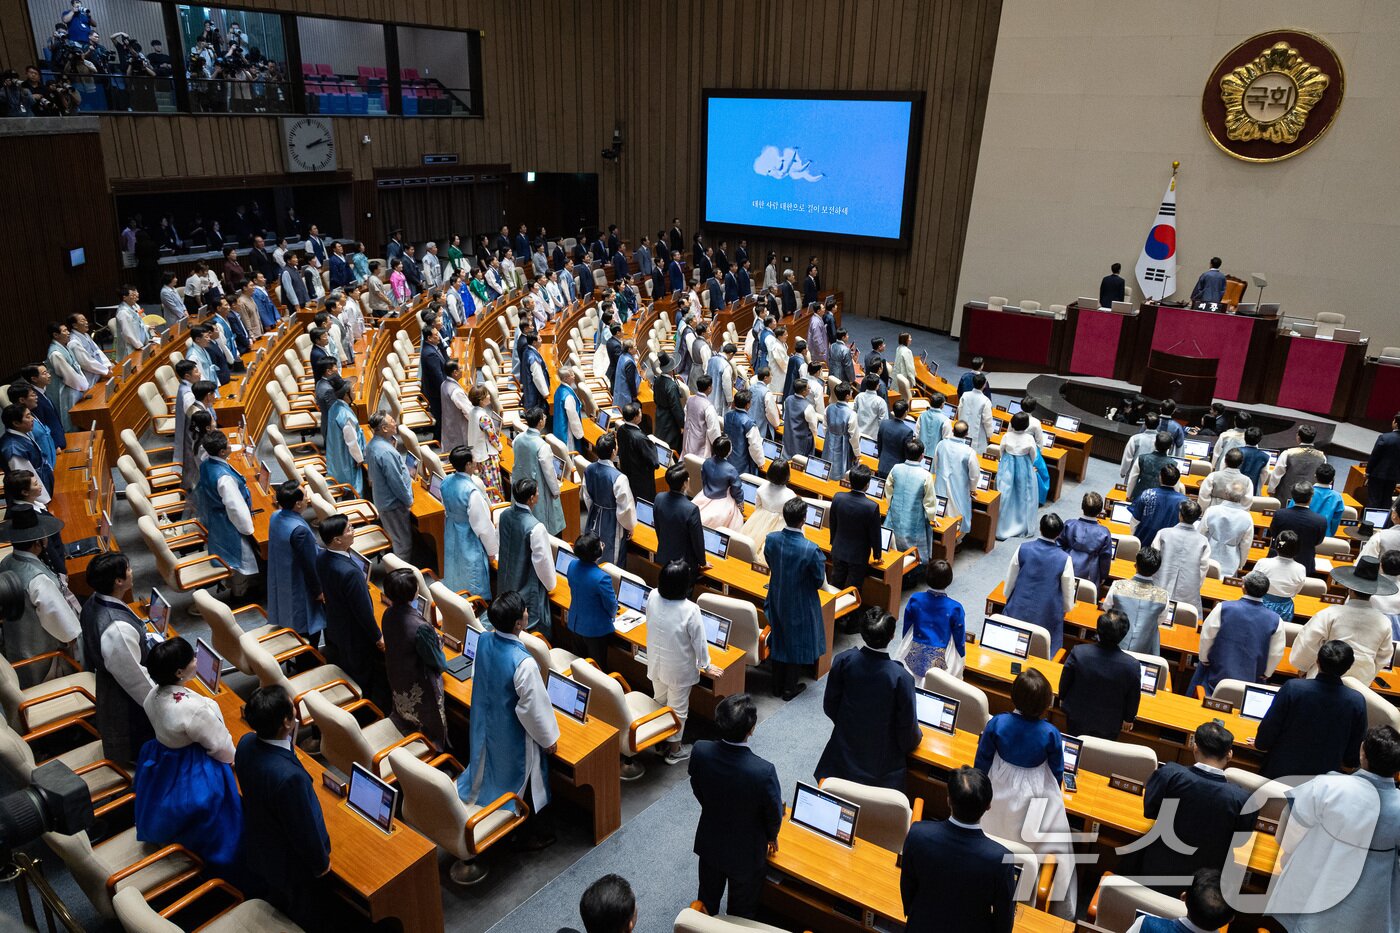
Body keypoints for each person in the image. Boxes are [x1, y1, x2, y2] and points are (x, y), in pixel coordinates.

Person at [457, 591, 561, 859]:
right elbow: (532, 709)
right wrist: (548, 739)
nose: (527, 613)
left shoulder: (483, 639)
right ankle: (524, 832)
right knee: (524, 779)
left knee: (487, 767)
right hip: (512, 733)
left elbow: (478, 675)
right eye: (525, 611)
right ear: (518, 624)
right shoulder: (524, 663)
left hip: (486, 720)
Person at [1268, 725, 1400, 932]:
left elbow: (1291, 830)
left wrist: (1288, 858)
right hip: (1372, 901)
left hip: (1316, 881)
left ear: (1362, 752)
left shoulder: (1328, 785)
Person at [974, 669, 1076, 918]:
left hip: (998, 786)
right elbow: (1057, 772)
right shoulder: (1050, 733)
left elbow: (982, 761)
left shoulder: (997, 722)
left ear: (1014, 696)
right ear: (1046, 704)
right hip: (1035, 793)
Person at [234, 686, 335, 928]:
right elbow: (303, 830)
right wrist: (321, 865)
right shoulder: (289, 779)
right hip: (291, 865)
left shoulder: (246, 742)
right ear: (286, 723)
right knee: (307, 913)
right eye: (292, 709)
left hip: (261, 843)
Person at [135, 637, 241, 866]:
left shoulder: (152, 694)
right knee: (221, 810)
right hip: (189, 764)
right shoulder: (192, 709)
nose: (196, 660)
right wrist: (235, 761)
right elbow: (220, 746)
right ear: (179, 672)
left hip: (162, 756)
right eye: (193, 658)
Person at [688, 694, 782, 918]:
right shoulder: (763, 772)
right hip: (746, 853)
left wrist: (711, 806)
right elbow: (773, 814)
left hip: (710, 842)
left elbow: (696, 785)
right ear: (751, 729)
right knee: (740, 913)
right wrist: (771, 836)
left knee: (706, 901)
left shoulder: (700, 751)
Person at [815, 609, 921, 789]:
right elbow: (907, 730)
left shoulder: (843, 660)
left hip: (841, 759)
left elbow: (830, 705)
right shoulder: (901, 678)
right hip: (881, 770)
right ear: (892, 636)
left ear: (862, 632)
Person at [78, 552, 154, 766]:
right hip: (126, 704)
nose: (132, 571)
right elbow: (137, 682)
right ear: (118, 581)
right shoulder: (117, 629)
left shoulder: (93, 601)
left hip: (110, 685)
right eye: (128, 569)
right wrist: (166, 704)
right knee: (143, 752)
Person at [1253, 639, 1367, 779]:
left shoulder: (1292, 688)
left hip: (1279, 776)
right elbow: (1352, 759)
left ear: (1317, 661)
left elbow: (1263, 741)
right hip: (1324, 784)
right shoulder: (1356, 702)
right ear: (1348, 667)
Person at [315, 515, 388, 711]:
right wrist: (378, 636)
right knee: (363, 675)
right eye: (349, 529)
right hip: (356, 635)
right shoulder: (350, 573)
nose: (353, 530)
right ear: (337, 539)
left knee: (346, 664)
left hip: (335, 623)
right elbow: (362, 610)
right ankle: (365, 710)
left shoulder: (322, 557)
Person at [642, 559, 710, 770]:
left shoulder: (653, 595)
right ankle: (675, 750)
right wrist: (706, 665)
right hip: (679, 668)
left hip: (656, 661)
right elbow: (699, 642)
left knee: (660, 702)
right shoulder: (690, 609)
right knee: (678, 709)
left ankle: (660, 742)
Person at [1292, 554, 1395, 684]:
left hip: (1324, 675)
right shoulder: (1384, 622)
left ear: (1349, 588)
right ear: (1373, 592)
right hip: (1360, 681)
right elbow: (1384, 657)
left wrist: (1303, 666)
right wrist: (1368, 675)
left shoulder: (1330, 613)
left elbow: (1309, 642)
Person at [765, 498, 827, 700]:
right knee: (796, 642)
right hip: (801, 601)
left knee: (779, 636)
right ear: (804, 519)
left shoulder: (771, 539)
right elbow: (818, 580)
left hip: (777, 595)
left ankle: (776, 685)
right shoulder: (810, 549)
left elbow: (770, 562)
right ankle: (789, 688)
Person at [380, 567, 448, 751]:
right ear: (413, 592)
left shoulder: (388, 613)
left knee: (405, 712)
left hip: (398, 675)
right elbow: (439, 663)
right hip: (420, 683)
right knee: (429, 725)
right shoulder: (420, 627)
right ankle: (432, 750)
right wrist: (438, 644)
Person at [1059, 609, 1141, 739]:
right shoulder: (1132, 666)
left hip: (1077, 717)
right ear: (1124, 634)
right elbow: (1133, 697)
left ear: (1098, 630)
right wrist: (1129, 718)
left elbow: (1065, 682)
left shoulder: (1079, 653)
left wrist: (1062, 698)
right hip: (1110, 725)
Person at [1003, 513, 1074, 654]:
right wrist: (1066, 608)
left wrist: (1007, 595)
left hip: (1018, 607)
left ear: (1040, 528)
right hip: (1046, 614)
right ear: (1059, 534)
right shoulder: (1065, 559)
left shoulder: (1023, 548)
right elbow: (1068, 589)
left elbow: (1011, 576)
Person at [196, 432, 258, 596]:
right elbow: (235, 507)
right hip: (227, 522)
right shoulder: (224, 478)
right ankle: (239, 593)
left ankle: (233, 584)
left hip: (215, 517)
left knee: (225, 554)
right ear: (222, 452)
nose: (231, 445)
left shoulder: (206, 463)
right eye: (228, 444)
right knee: (239, 559)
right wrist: (248, 529)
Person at [267, 481, 324, 640]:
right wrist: (319, 591)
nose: (308, 499)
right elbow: (310, 565)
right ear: (298, 504)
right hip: (299, 584)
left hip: (281, 577)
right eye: (305, 496)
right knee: (308, 626)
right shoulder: (300, 532)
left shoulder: (275, 516)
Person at [441, 446, 498, 597]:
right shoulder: (471, 491)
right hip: (468, 535)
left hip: (451, 531)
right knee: (472, 572)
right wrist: (492, 551)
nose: (476, 462)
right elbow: (483, 526)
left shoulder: (445, 481)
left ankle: (455, 597)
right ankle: (474, 602)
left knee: (454, 566)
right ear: (468, 465)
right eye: (474, 460)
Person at [897, 560, 966, 678]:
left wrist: (905, 642)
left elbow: (907, 626)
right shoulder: (955, 608)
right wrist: (961, 655)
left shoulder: (915, 599)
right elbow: (959, 636)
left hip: (915, 649)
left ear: (927, 576)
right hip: (941, 653)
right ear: (949, 580)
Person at [1102, 546, 1171, 655]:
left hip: (1114, 644)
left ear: (1135, 564)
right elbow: (1159, 620)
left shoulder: (1118, 586)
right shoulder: (1163, 595)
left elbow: (1107, 608)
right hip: (1144, 649)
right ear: (1157, 570)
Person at [365, 412, 415, 559]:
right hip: (393, 504)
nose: (395, 423)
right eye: (392, 421)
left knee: (396, 537)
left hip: (383, 499)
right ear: (384, 428)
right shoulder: (386, 452)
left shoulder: (373, 444)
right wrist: (408, 500)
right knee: (403, 544)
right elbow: (396, 481)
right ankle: (401, 571)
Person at [582, 433, 637, 564]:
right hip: (612, 520)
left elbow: (587, 496)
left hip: (594, 515)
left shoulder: (589, 469)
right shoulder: (619, 478)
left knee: (592, 549)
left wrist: (595, 509)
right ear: (613, 451)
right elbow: (625, 508)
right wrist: (629, 526)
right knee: (612, 556)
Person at [565, 533, 617, 671]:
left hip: (575, 624)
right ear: (596, 553)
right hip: (595, 631)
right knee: (597, 670)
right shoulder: (602, 578)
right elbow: (612, 606)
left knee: (580, 668)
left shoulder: (572, 565)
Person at [828, 464, 882, 590]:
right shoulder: (872, 507)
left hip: (838, 550)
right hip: (858, 557)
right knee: (852, 591)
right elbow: (875, 534)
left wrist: (833, 541)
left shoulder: (838, 498)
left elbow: (833, 523)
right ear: (867, 485)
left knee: (835, 586)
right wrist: (877, 555)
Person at [1153, 500, 1210, 613]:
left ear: (1180, 515)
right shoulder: (1203, 541)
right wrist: (1194, 588)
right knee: (1183, 619)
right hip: (1188, 592)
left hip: (1160, 586)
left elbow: (1153, 561)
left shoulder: (1163, 533)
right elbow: (1203, 569)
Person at [654, 464, 706, 588]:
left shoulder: (659, 498)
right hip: (685, 565)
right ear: (684, 484)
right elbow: (697, 540)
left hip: (664, 557)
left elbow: (658, 528)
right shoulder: (691, 509)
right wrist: (702, 562)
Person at [1269, 482, 1332, 577]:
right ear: (1311, 498)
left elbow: (1274, 534)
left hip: (1278, 558)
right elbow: (1318, 541)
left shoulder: (1280, 514)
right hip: (1304, 561)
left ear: (1292, 497)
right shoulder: (1320, 520)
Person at [1200, 472, 1255, 578]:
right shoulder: (1247, 518)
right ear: (1242, 497)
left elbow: (1200, 534)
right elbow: (1245, 545)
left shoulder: (1212, 510)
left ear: (1226, 493)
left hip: (1208, 555)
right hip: (1231, 560)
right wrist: (1242, 563)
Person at [995, 411, 1040, 540]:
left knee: (1005, 493)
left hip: (1007, 465)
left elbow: (1001, 451)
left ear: (1012, 424)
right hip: (1024, 466)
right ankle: (1020, 524)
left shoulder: (1007, 436)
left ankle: (1001, 526)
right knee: (1023, 495)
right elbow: (1033, 455)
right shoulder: (1029, 438)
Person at [934, 420, 980, 539]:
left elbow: (936, 464)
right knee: (958, 516)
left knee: (940, 512)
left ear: (953, 430)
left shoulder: (941, 444)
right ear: (967, 434)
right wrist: (972, 489)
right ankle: (956, 540)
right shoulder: (969, 452)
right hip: (959, 489)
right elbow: (974, 475)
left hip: (940, 485)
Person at [1059, 492, 1114, 588]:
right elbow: (1105, 559)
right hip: (1090, 577)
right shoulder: (1104, 533)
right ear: (1100, 511)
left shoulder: (1069, 525)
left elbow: (1057, 547)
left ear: (1082, 506)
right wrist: (1103, 576)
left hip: (1065, 570)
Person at [1129, 464, 1188, 548]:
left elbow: (1134, 521)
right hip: (1168, 546)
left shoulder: (1147, 494)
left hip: (1143, 544)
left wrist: (1134, 541)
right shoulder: (1184, 501)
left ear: (1160, 477)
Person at [691, 436, 744, 531]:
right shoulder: (731, 470)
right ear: (728, 451)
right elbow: (736, 491)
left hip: (704, 495)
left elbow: (704, 479)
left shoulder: (706, 462)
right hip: (723, 501)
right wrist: (740, 505)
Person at [1268, 424, 1327, 501]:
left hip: (1285, 498)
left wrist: (1271, 490)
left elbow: (1276, 475)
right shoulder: (1322, 457)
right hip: (1309, 500)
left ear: (1298, 437)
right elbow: (1322, 479)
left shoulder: (1287, 454)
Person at [1127, 431, 1176, 501]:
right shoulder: (1174, 464)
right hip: (1160, 500)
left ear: (1155, 443)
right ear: (1170, 447)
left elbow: (1132, 479)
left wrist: (1128, 495)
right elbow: (1175, 487)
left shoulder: (1141, 458)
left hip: (1140, 497)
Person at [1366, 413, 1400, 510]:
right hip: (1394, 477)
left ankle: (1371, 519)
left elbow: (1374, 456)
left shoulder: (1384, 437)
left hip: (1378, 474)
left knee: (1374, 499)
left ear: (1396, 423)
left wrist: (1368, 472)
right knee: (1386, 500)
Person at [780, 378, 818, 458]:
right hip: (802, 439)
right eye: (808, 388)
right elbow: (813, 427)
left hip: (788, 434)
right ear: (803, 392)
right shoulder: (808, 407)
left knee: (787, 455)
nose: (810, 390)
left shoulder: (788, 399)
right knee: (800, 460)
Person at [875, 399, 914, 478]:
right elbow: (907, 454)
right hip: (897, 470)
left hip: (882, 465)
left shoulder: (884, 423)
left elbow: (879, 444)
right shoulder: (908, 431)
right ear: (906, 413)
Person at [958, 372, 995, 453]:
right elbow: (987, 421)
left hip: (962, 430)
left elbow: (959, 411)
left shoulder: (965, 395)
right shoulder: (986, 401)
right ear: (984, 385)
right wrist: (989, 434)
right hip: (978, 437)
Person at [853, 374, 888, 441]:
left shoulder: (859, 396)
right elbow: (883, 423)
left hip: (857, 435)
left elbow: (853, 414)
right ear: (877, 386)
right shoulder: (881, 402)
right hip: (872, 439)